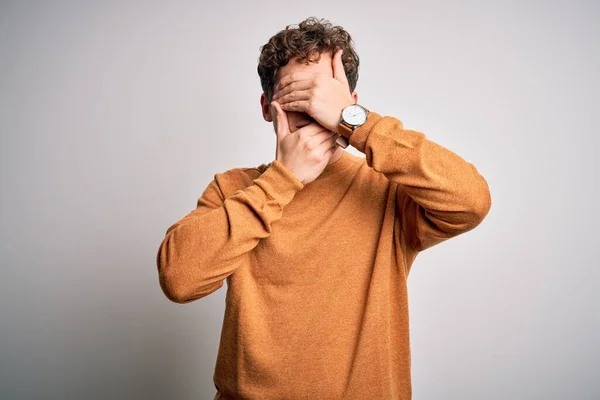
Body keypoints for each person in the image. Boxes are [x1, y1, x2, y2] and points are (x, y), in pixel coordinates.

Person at [156, 16, 492, 400]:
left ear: (350, 102)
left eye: (324, 100)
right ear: (268, 107)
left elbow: (472, 202)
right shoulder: (235, 188)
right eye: (298, 99)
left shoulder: (387, 190)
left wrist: (358, 124)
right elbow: (179, 281)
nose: (314, 114)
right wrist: (283, 179)